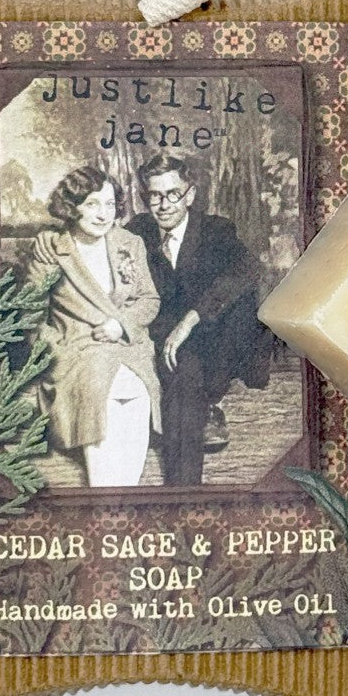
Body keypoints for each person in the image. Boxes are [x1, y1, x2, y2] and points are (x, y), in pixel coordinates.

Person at [126, 152, 271, 486]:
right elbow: (93, 242)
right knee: (181, 380)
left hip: (209, 338)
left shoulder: (216, 230)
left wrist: (191, 320)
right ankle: (184, 489)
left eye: (172, 194)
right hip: (158, 337)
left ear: (189, 195)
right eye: (154, 196)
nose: (164, 205)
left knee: (188, 373)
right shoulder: (138, 232)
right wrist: (51, 244)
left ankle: (184, 487)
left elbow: (247, 269)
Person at [28, 166, 161, 487]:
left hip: (127, 347)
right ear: (71, 206)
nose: (103, 214)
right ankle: (107, 494)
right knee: (102, 389)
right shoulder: (53, 248)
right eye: (92, 204)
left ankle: (121, 495)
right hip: (77, 352)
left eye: (110, 204)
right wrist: (52, 350)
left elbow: (149, 300)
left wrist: (122, 324)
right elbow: (30, 314)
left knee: (138, 393)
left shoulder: (129, 243)